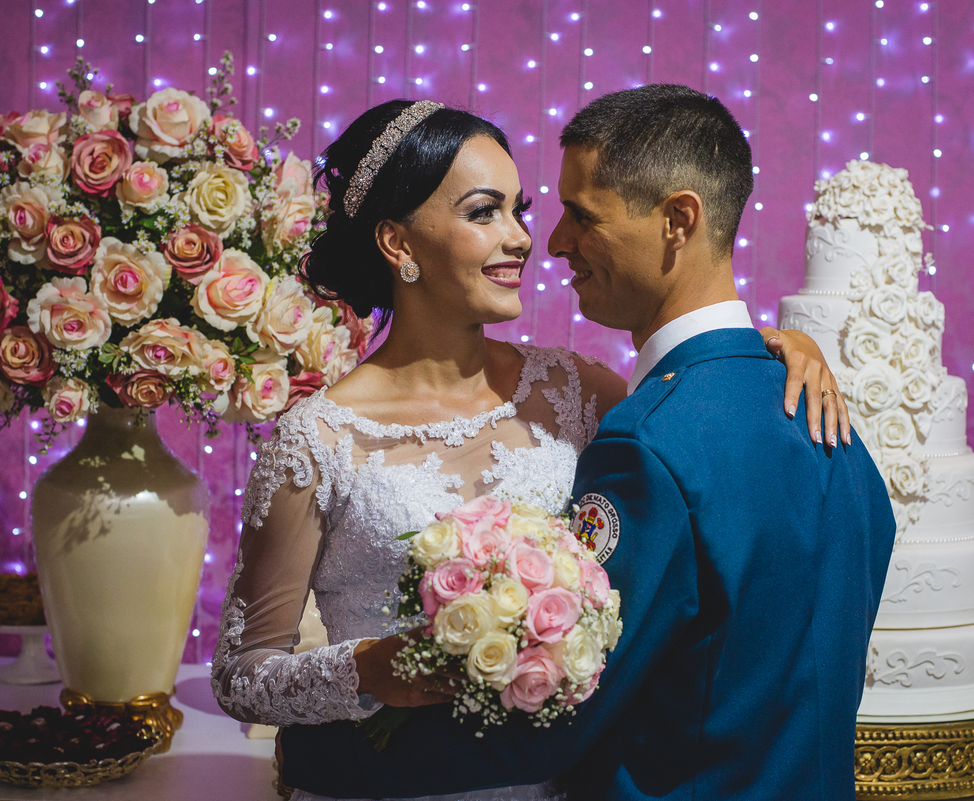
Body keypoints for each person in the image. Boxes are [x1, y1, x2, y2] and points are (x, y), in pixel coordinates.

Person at [212, 97, 849, 801]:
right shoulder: (317, 440)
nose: (524, 238)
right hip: (391, 777)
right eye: (485, 212)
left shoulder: (577, 393)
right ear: (398, 242)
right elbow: (242, 675)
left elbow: (700, 408)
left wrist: (778, 353)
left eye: (520, 209)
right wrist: (365, 669)